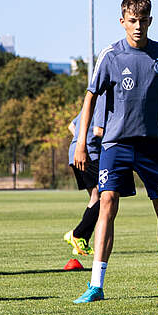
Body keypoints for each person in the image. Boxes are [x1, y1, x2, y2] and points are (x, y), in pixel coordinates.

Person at [72, 0, 158, 303]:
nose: (137, 26)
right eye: (132, 21)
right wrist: (81, 144)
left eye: (143, 21)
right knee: (107, 202)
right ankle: (96, 285)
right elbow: (90, 98)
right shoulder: (110, 56)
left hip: (152, 145)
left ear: (150, 21)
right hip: (115, 144)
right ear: (122, 22)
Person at [63, 100, 106, 257]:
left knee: (96, 196)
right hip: (89, 154)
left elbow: (72, 126)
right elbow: (98, 131)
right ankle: (77, 234)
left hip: (77, 152)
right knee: (107, 195)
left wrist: (79, 142)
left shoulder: (92, 102)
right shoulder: (104, 101)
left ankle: (81, 241)